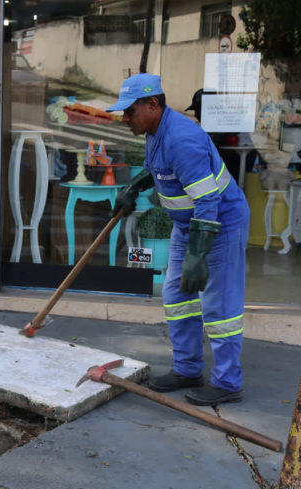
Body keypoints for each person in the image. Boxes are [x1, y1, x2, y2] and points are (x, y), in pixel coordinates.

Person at [107, 74, 249, 405]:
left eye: (130, 112)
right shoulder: (155, 131)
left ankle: (228, 382)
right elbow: (157, 170)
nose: (125, 119)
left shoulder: (182, 139)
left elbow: (208, 201)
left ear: (152, 104)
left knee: (219, 305)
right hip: (187, 225)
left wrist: (198, 256)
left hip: (219, 223)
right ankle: (187, 369)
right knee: (177, 295)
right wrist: (133, 188)